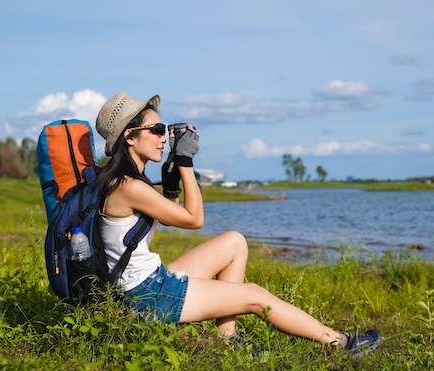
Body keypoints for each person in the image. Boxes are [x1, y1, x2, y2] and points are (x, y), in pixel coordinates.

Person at [94, 91, 381, 355]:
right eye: (156, 130)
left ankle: (227, 340)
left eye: (164, 130)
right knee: (254, 296)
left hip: (146, 281)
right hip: (147, 294)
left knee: (234, 241)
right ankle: (341, 343)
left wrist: (171, 187)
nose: (163, 137)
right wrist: (184, 163)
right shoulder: (128, 186)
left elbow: (171, 220)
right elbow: (195, 220)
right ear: (130, 137)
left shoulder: (126, 182)